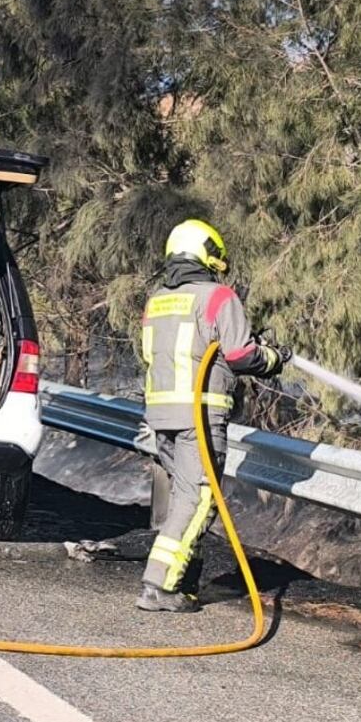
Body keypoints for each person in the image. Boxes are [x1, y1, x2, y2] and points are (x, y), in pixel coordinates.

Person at [133, 218, 290, 612]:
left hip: (160, 416)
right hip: (199, 416)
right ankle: (159, 585)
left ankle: (181, 579)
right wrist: (273, 358)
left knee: (184, 498)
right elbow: (241, 356)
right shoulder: (219, 296)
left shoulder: (157, 299)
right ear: (207, 254)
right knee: (199, 498)